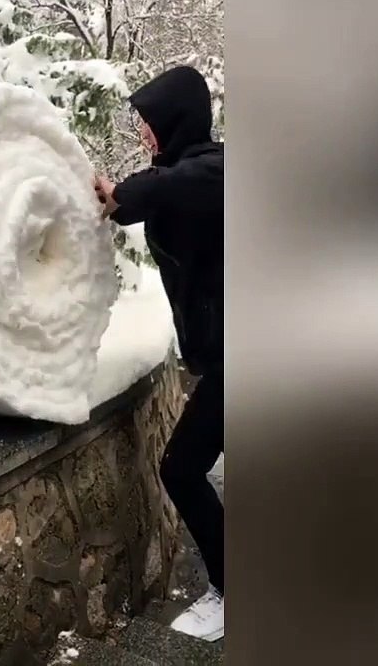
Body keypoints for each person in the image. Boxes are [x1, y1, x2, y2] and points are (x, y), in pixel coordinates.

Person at [93, 65, 224, 641]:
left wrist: (121, 196)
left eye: (149, 122)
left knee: (181, 467)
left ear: (176, 120)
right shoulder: (185, 173)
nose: (143, 132)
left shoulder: (214, 169)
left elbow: (166, 189)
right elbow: (157, 193)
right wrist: (117, 203)